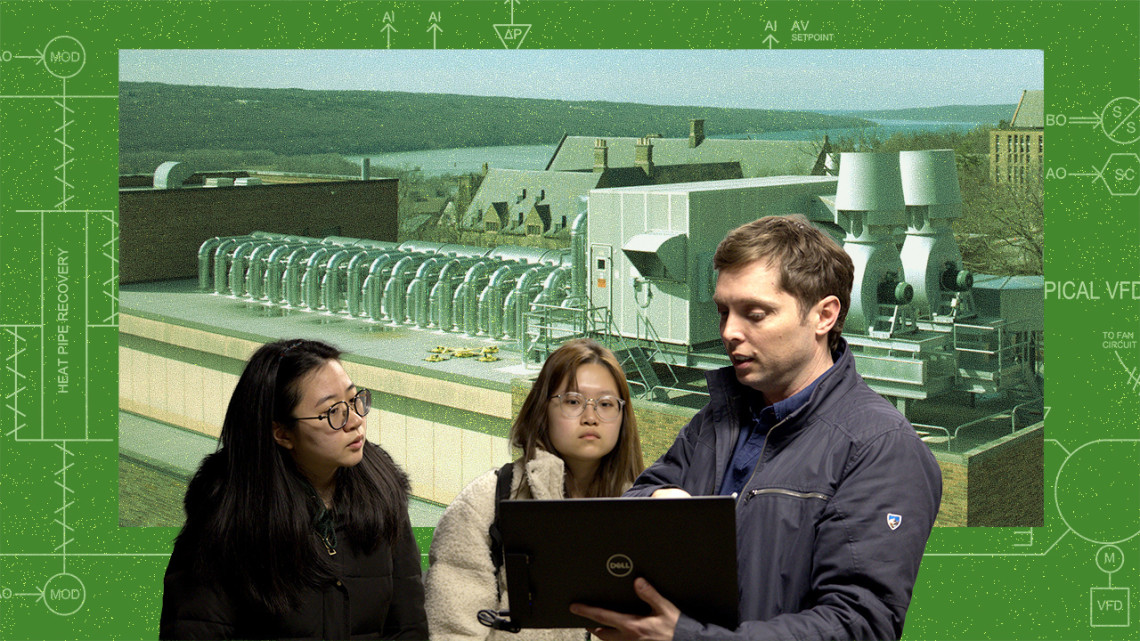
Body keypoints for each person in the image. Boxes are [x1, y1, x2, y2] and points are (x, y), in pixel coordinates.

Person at [571, 215, 943, 641]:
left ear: (824, 316)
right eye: (724, 311)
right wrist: (657, 500)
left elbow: (858, 625)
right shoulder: (719, 420)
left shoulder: (881, 448)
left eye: (755, 314)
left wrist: (686, 638)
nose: (729, 332)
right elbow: (641, 493)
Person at [159, 339, 428, 640]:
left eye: (355, 401)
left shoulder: (382, 491)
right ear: (282, 433)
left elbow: (408, 625)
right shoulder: (227, 516)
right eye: (332, 412)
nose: (355, 421)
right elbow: (195, 629)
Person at [425, 338, 646, 641]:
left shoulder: (646, 510)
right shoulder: (487, 501)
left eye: (606, 404)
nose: (591, 416)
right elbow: (452, 630)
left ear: (623, 416)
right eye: (573, 401)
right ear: (543, 409)